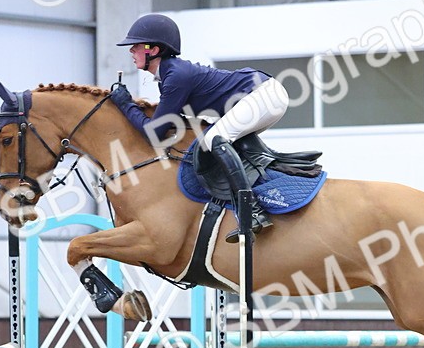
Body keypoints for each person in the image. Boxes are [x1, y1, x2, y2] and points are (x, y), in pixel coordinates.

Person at [110, 13, 290, 239]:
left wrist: (126, 105)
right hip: (261, 95)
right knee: (217, 144)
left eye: (135, 46)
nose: (131, 51)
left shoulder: (175, 75)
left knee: (214, 141)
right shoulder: (169, 75)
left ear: (153, 50)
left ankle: (252, 212)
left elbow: (154, 133)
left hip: (262, 96)